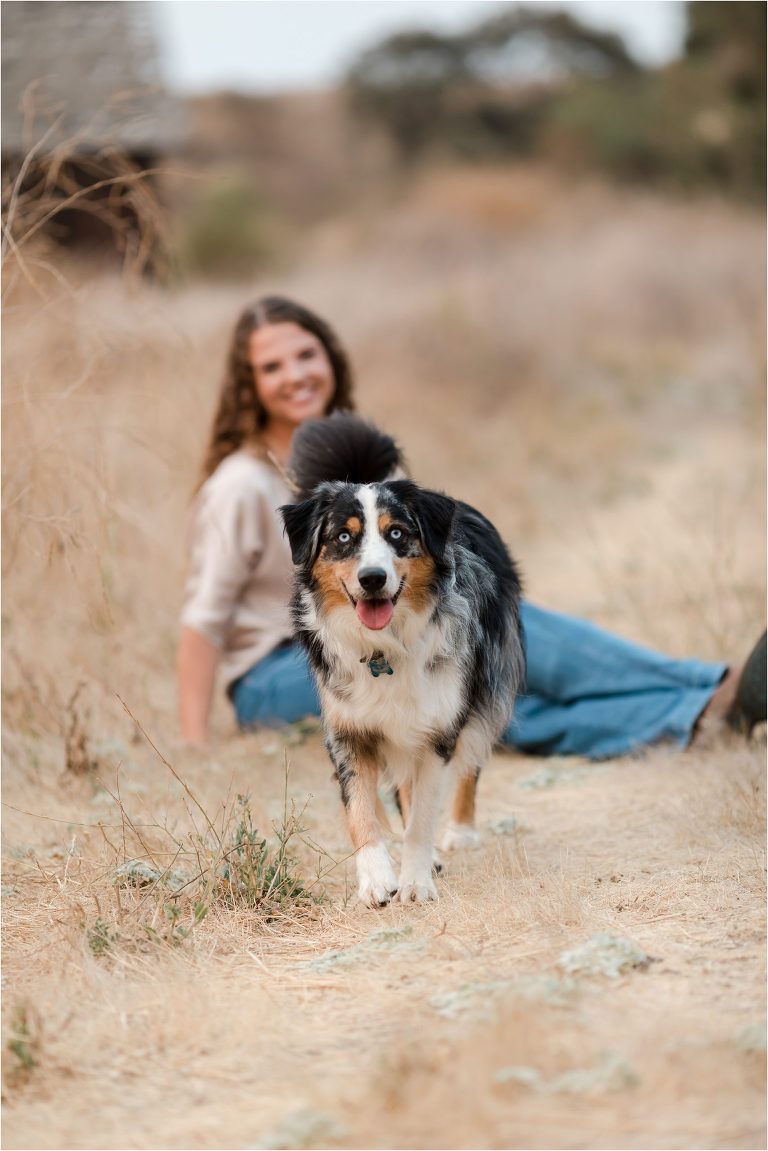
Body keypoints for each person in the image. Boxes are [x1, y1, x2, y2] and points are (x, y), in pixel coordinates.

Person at [177, 296, 766, 757]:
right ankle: (705, 696)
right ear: (248, 386)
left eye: (305, 355)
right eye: (271, 366)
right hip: (280, 669)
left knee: (486, 659)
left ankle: (704, 709)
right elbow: (203, 621)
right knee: (473, 701)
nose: (294, 375)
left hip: (385, 635)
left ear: (330, 356)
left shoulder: (370, 460)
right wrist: (195, 742)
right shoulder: (241, 485)